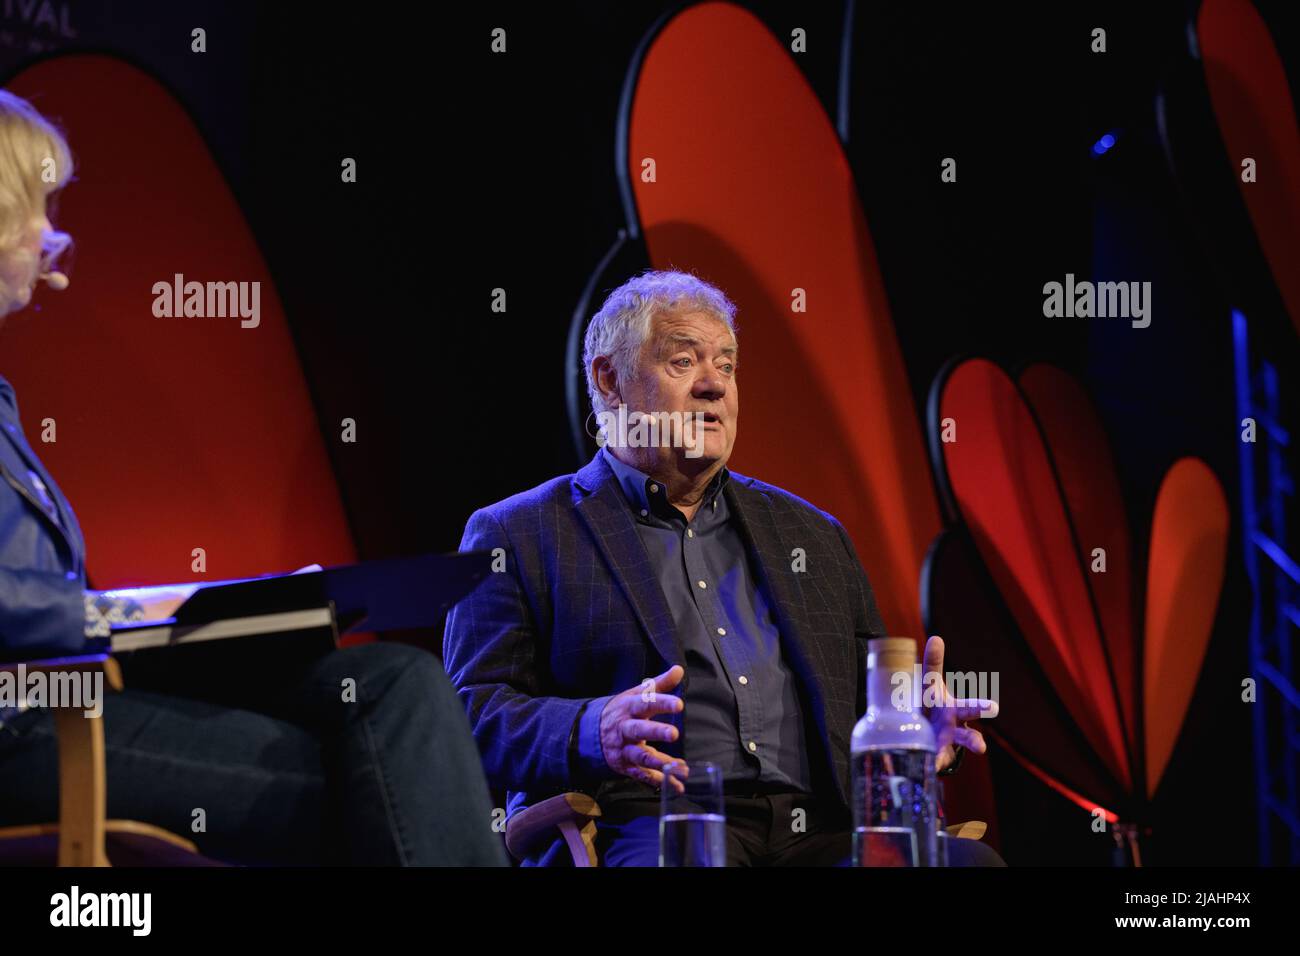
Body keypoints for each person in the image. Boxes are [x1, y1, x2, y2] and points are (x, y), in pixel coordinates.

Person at [0, 88, 505, 866]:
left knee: (396, 681)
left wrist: (212, 616)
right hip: (28, 721)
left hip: (76, 694)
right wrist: (139, 610)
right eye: (41, 205)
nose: (54, 234)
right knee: (372, 778)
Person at [444, 269, 1004, 866]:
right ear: (610, 380)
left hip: (820, 828)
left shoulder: (812, 535)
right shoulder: (518, 532)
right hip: (650, 821)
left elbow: (866, 710)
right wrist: (592, 728)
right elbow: (469, 715)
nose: (715, 386)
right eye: (683, 362)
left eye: (728, 366)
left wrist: (915, 731)